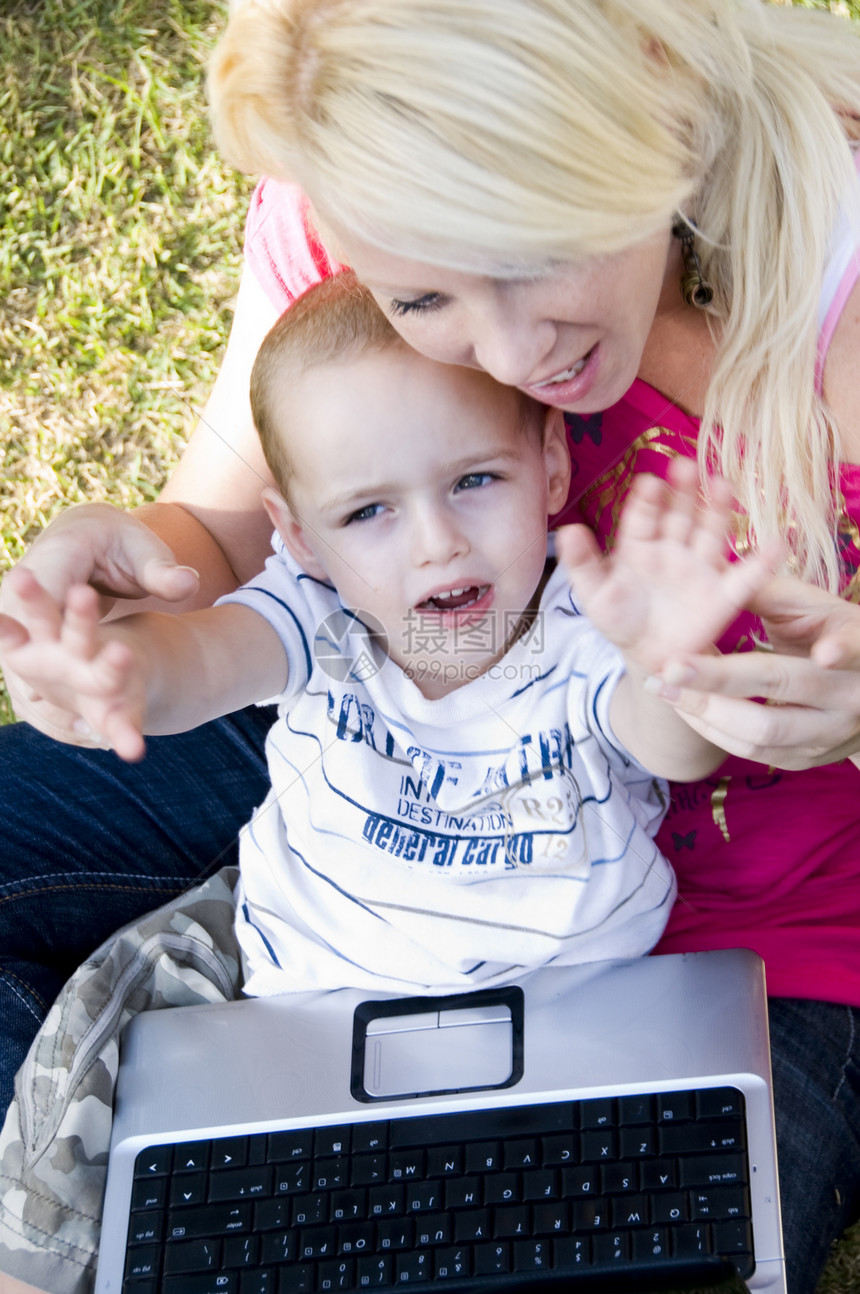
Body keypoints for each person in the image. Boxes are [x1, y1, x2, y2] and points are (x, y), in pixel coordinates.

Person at [2, 1, 860, 1290]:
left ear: (654, 96)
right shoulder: (356, 174)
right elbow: (232, 522)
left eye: (533, 253)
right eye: (419, 296)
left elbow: (650, 722)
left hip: (759, 922)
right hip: (383, 730)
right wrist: (119, 587)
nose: (517, 358)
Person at [0, 274, 771, 997]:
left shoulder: (579, 622)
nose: (436, 544)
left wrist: (668, 662)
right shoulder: (323, 621)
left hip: (568, 1016)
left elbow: (674, 748)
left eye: (475, 481)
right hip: (308, 1008)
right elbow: (200, 660)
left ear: (552, 466)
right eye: (368, 513)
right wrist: (113, 668)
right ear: (299, 536)